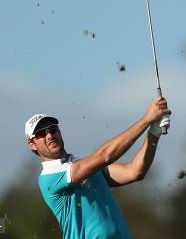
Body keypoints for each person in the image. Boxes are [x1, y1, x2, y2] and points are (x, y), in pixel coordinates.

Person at [24, 97, 171, 239]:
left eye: (52, 129)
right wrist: (146, 119)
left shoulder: (83, 165)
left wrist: (153, 133)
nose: (49, 135)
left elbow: (134, 171)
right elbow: (105, 156)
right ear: (32, 144)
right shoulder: (49, 177)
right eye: (41, 133)